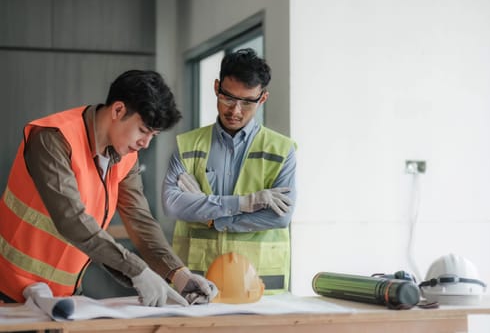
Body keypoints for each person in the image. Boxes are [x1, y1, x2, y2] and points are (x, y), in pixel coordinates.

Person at [0, 70, 216, 307]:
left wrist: (179, 273)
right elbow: (71, 220)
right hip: (8, 290)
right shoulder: (52, 139)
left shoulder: (125, 155)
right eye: (143, 130)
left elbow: (140, 221)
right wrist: (137, 271)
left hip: (61, 297)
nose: (145, 143)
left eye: (153, 135)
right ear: (118, 110)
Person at [162, 49, 297, 294]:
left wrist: (211, 216)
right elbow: (172, 204)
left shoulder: (282, 150)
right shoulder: (188, 145)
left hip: (259, 287)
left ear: (263, 98)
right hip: (198, 286)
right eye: (228, 98)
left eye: (247, 102)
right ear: (216, 88)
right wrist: (244, 203)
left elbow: (279, 217)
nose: (235, 110)